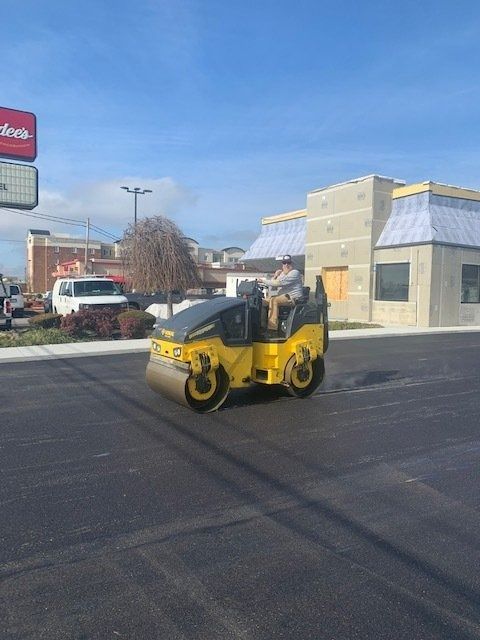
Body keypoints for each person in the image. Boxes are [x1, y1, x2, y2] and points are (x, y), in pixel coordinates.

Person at [259, 255, 304, 332]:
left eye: (288, 263)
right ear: (282, 264)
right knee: (262, 302)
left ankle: (272, 329)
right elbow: (272, 286)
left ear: (292, 264)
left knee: (274, 300)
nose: (286, 265)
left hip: (293, 298)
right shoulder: (283, 274)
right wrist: (276, 275)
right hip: (283, 296)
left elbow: (278, 283)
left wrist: (263, 281)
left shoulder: (295, 273)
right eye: (284, 263)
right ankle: (262, 325)